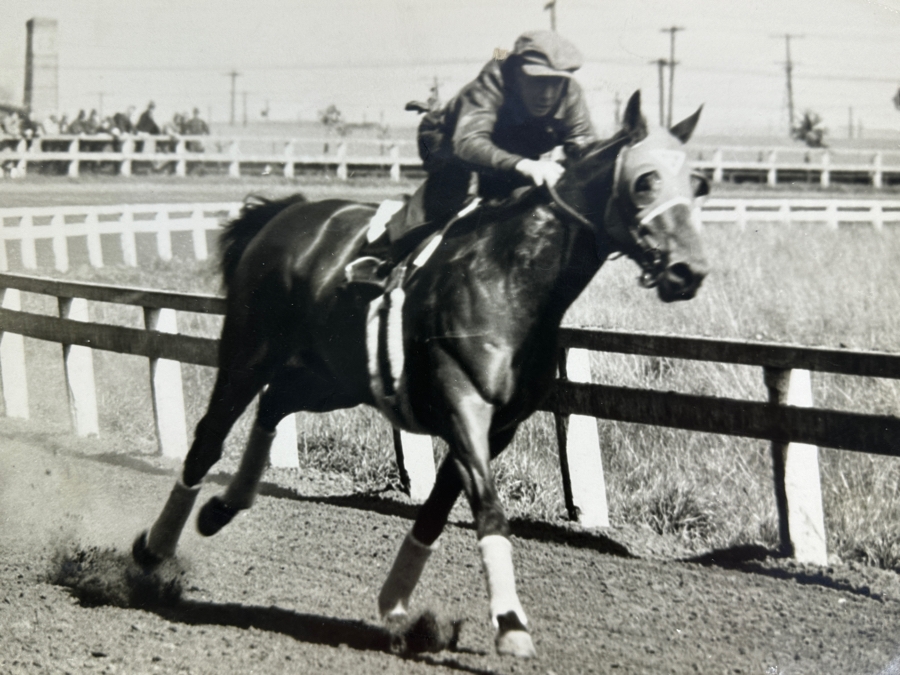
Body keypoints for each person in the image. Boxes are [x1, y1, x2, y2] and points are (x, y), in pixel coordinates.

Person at [346, 29, 598, 290]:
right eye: (537, 81)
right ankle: (376, 255)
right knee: (449, 190)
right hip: (449, 140)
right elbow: (468, 144)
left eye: (555, 83)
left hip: (510, 148)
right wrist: (526, 164)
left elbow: (585, 146)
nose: (547, 94)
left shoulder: (571, 92)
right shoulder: (493, 80)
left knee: (520, 203)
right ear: (518, 72)